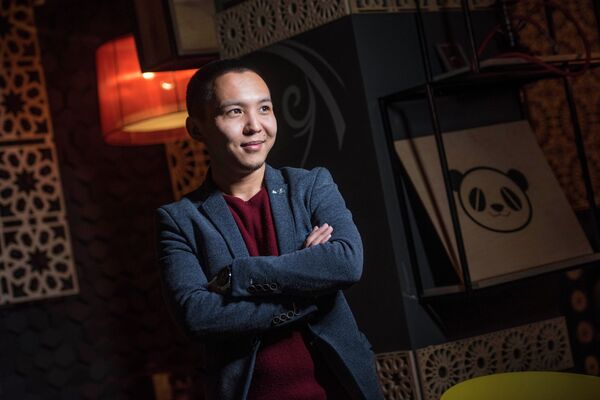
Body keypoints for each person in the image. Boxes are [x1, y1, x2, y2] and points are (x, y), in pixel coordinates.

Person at [156, 59, 383, 400]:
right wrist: (307, 291)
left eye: (264, 108)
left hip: (343, 389)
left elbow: (346, 262)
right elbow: (198, 316)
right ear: (196, 128)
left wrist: (240, 275)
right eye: (234, 112)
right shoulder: (179, 220)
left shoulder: (310, 186)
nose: (255, 126)